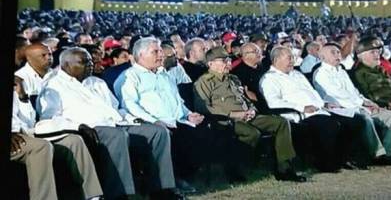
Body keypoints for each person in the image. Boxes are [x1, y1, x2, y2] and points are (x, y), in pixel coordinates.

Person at [37, 47, 177, 199]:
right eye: (84, 62)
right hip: (88, 130)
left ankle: (162, 190)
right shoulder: (53, 86)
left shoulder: (97, 82)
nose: (91, 64)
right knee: (117, 136)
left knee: (157, 132)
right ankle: (119, 194)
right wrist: (77, 126)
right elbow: (49, 119)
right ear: (66, 64)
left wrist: (134, 120)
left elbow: (117, 109)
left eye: (91, 61)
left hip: (117, 124)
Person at [194, 47, 306, 182]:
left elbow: (245, 99)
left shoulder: (233, 79)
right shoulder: (204, 82)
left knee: (281, 123)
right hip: (226, 121)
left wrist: (252, 110)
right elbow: (204, 108)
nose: (228, 63)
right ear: (210, 64)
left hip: (248, 116)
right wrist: (234, 114)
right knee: (252, 133)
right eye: (223, 60)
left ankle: (284, 168)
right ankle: (235, 167)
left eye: (229, 60)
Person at [114, 37, 207, 193]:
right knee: (170, 137)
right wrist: (154, 121)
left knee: (201, 131)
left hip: (177, 120)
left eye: (160, 51)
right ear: (141, 55)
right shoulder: (129, 77)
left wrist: (189, 114)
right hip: (150, 124)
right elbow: (129, 105)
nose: (161, 55)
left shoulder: (164, 74)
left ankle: (185, 176)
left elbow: (178, 101)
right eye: (155, 52)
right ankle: (171, 182)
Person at [12, 77, 103, 200]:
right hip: (15, 138)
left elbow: (29, 121)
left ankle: (92, 196)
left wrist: (22, 96)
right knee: (42, 147)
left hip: (25, 132)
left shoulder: (16, 83)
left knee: (74, 141)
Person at [313, 43, 391, 165]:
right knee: (366, 119)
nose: (338, 55)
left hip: (357, 104)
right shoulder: (321, 73)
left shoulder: (342, 71)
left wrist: (368, 102)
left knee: (389, 115)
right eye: (333, 52)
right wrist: (362, 104)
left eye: (338, 52)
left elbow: (355, 92)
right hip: (341, 107)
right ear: (322, 57)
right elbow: (338, 95)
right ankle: (377, 153)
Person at [259, 47, 342, 172]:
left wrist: (323, 104)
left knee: (347, 120)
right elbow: (273, 103)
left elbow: (312, 92)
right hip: (298, 115)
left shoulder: (297, 74)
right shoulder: (269, 79)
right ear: (276, 60)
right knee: (328, 125)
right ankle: (326, 164)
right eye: (289, 58)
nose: (293, 61)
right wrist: (302, 108)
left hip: (319, 110)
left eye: (293, 57)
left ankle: (342, 160)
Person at [353, 36, 391, 159]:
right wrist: (387, 103)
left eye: (378, 51)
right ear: (360, 56)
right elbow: (365, 95)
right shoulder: (359, 73)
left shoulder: (380, 69)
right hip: (385, 106)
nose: (377, 54)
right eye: (372, 52)